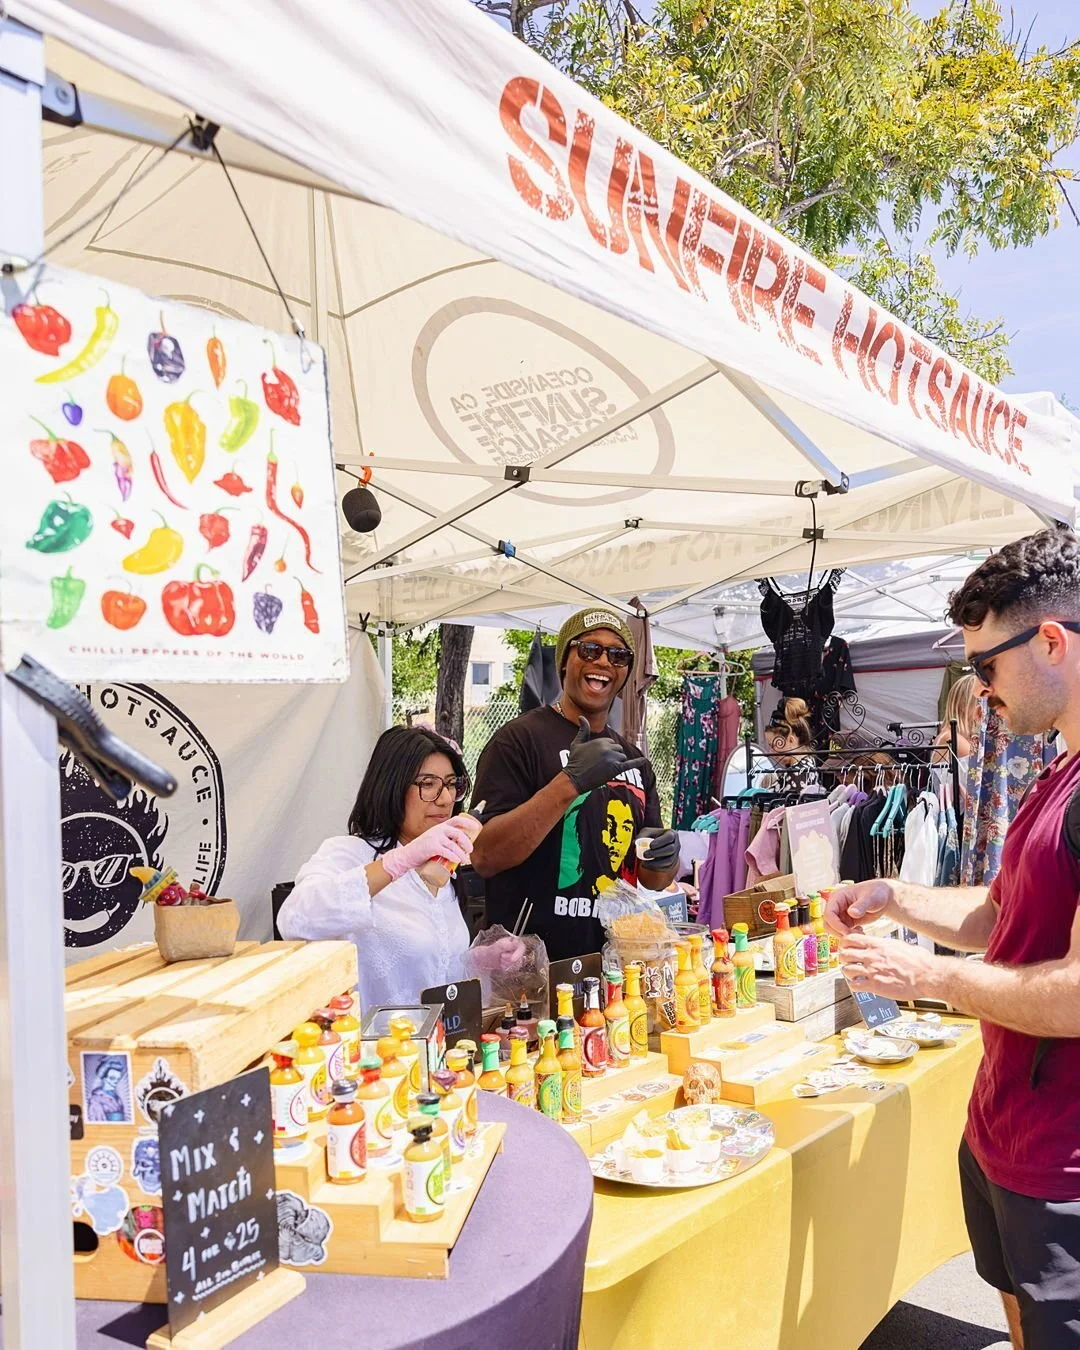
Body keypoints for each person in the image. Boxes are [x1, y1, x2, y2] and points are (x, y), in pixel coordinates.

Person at [824, 530, 1080, 1350]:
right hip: (1006, 1129)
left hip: (1065, 1167)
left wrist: (925, 977)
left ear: (1051, 642)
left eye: (985, 667)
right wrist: (895, 895)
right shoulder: (1057, 771)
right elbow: (1006, 912)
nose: (977, 691)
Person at [470, 607, 681, 960]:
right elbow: (485, 856)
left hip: (614, 963)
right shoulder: (518, 740)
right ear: (564, 661)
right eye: (588, 649)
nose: (603, 661)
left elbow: (651, 878)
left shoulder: (632, 759)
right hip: (525, 968)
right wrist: (569, 783)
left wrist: (666, 860)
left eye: (618, 655)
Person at [278, 725, 481, 1008]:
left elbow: (437, 967)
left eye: (450, 784)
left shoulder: (446, 867)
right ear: (392, 787)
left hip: (440, 1046)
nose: (445, 799)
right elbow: (295, 919)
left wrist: (482, 961)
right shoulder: (350, 853)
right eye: (427, 784)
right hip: (377, 1048)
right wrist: (400, 860)